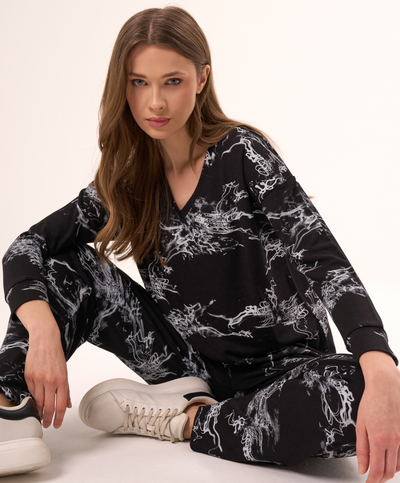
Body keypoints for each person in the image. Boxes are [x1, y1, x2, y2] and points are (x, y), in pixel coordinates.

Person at [1, 5, 399, 481]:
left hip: (286, 375)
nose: (155, 103)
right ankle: (8, 405)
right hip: (186, 366)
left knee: (360, 388)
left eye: (172, 81)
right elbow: (28, 246)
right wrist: (42, 327)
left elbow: (321, 257)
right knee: (62, 266)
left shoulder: (242, 153)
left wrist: (379, 362)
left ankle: (188, 421)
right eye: (138, 82)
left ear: (201, 78)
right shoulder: (129, 180)